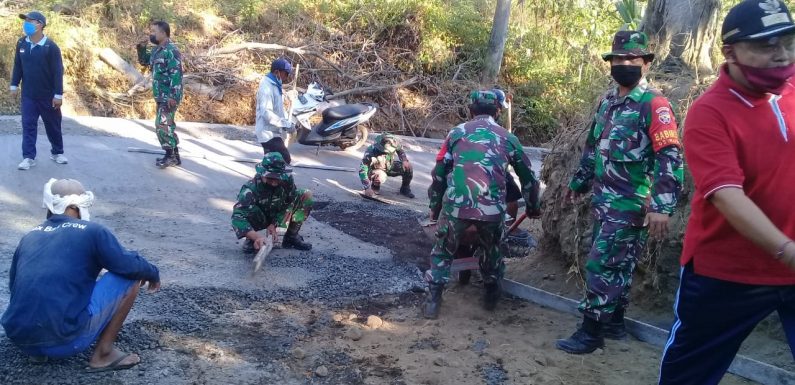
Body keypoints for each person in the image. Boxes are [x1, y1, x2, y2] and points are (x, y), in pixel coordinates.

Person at [659, 2, 795, 383]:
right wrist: (788, 252)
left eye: (787, 41)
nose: (781, 54)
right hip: (726, 274)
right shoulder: (710, 113)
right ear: (730, 53)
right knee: (688, 375)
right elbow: (727, 195)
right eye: (765, 45)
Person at [556, 30, 684, 354]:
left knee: (601, 264)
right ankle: (614, 324)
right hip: (604, 200)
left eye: (632, 59)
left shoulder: (654, 104)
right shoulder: (608, 102)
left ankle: (590, 333)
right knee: (620, 263)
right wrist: (578, 183)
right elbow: (593, 148)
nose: (624, 64)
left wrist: (662, 205)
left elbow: (669, 155)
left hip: (630, 203)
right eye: (618, 59)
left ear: (645, 63)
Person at [1, 179, 160, 371]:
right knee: (130, 276)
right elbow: (128, 265)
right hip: (66, 342)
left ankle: (38, 353)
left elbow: (14, 286)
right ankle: (104, 354)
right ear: (76, 207)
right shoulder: (93, 232)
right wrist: (152, 272)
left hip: (20, 339)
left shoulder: (29, 236)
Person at [423, 90, 541, 319]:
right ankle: (490, 295)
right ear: (498, 112)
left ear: (470, 110)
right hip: (492, 211)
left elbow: (439, 174)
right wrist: (533, 206)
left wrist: (435, 208)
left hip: (456, 208)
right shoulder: (508, 138)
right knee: (492, 250)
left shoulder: (456, 133)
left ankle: (433, 302)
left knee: (442, 251)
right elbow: (528, 178)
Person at [10, 11, 67, 170]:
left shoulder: (50, 47)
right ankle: (28, 157)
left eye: (30, 21)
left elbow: (57, 72)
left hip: (48, 96)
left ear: (40, 24)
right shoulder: (22, 43)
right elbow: (18, 65)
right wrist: (14, 85)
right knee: (28, 125)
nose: (26, 23)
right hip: (28, 95)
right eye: (25, 20)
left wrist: (58, 94)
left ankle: (57, 152)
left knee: (53, 125)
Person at [232, 152, 313, 252]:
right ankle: (252, 239)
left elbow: (289, 201)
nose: (274, 183)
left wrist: (274, 223)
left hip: (277, 213)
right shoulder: (250, 189)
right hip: (260, 217)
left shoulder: (286, 180)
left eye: (277, 178)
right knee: (249, 209)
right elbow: (237, 217)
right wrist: (256, 237)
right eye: (270, 178)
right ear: (262, 173)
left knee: (305, 194)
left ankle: (291, 236)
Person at [137, 20, 184, 169]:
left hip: (169, 95)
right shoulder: (157, 50)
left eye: (154, 32)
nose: (151, 34)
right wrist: (141, 47)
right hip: (160, 94)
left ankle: (170, 156)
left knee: (162, 125)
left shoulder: (171, 51)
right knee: (166, 125)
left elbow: (176, 74)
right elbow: (144, 61)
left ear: (163, 33)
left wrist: (173, 96)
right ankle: (174, 156)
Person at [255, 58, 296, 164]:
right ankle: (263, 174)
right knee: (283, 160)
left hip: (273, 132)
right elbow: (266, 113)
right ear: (277, 72)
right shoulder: (266, 88)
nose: (287, 77)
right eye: (285, 73)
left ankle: (264, 173)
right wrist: (286, 125)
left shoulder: (275, 85)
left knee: (274, 164)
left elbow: (278, 108)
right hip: (267, 133)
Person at [359, 133, 415, 198]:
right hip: (376, 169)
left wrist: (404, 160)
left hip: (389, 166)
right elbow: (362, 170)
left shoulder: (394, 143)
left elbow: (400, 151)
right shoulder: (370, 151)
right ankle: (374, 187)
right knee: (379, 176)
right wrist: (367, 187)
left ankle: (405, 188)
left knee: (408, 167)